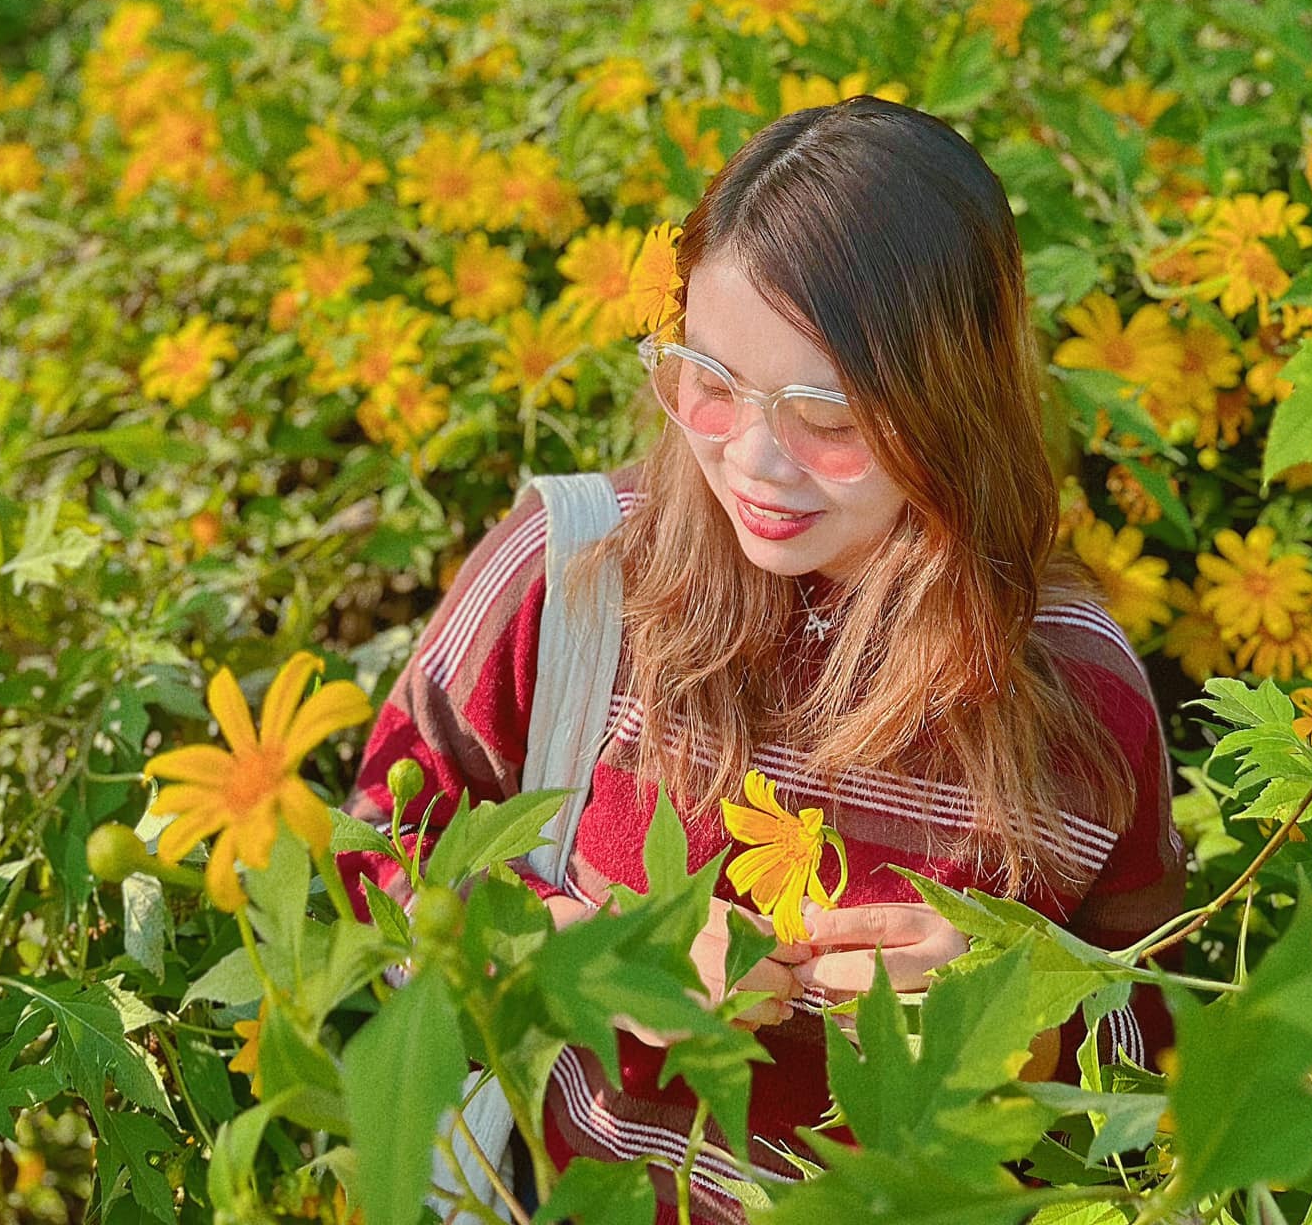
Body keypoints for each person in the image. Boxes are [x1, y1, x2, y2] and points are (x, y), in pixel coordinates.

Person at [336, 96, 1187, 1223]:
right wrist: (582, 960)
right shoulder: (577, 575)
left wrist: (1020, 1014)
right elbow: (377, 859)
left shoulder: (1078, 698)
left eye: (827, 415)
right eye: (709, 382)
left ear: (954, 404)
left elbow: (1154, 1038)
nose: (755, 460)